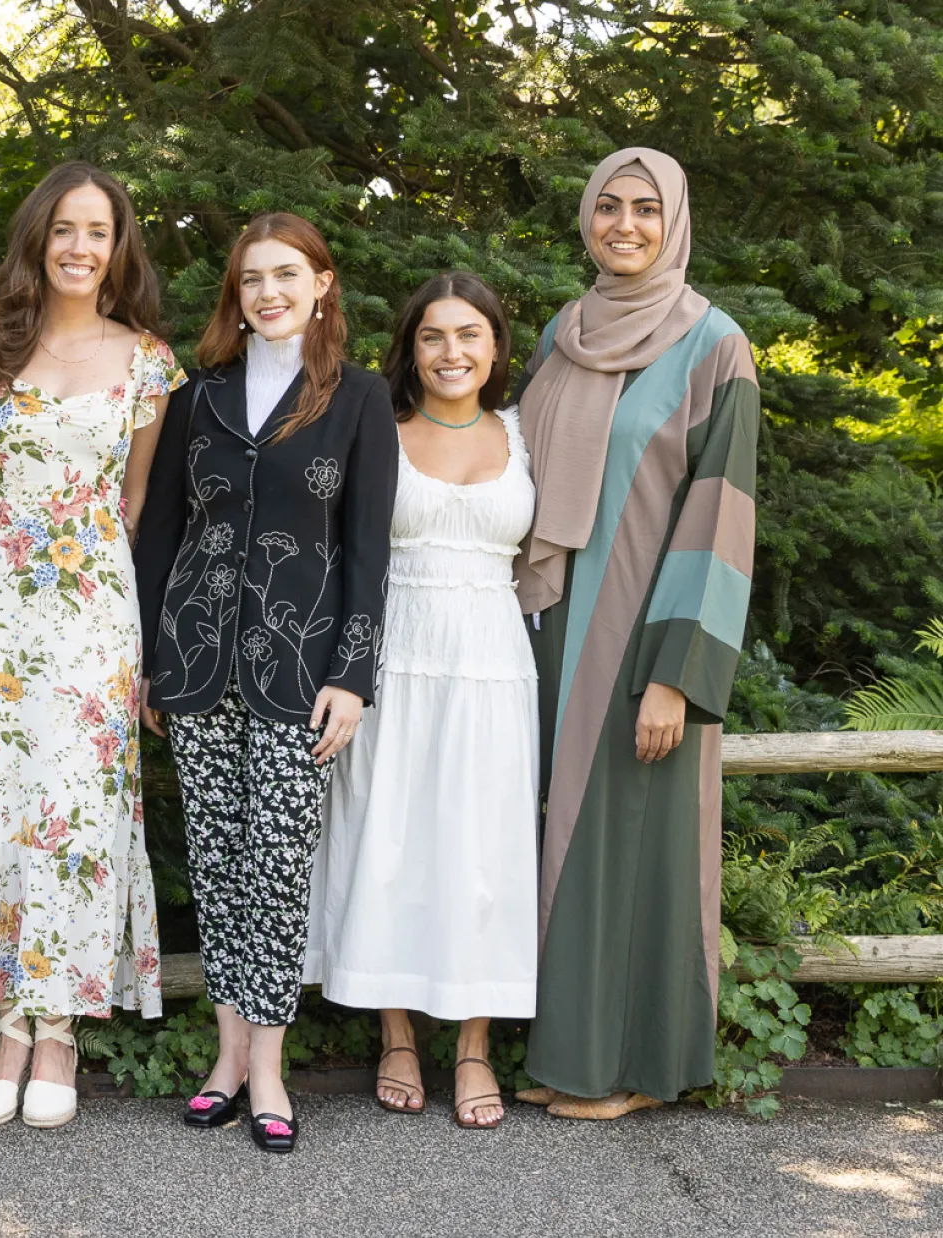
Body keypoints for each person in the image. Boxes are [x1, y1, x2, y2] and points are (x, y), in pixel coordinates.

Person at [0, 161, 178, 1131]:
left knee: (76, 807)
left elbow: (136, 502)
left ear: (118, 246)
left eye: (97, 230)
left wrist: (125, 626)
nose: (79, 246)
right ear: (37, 239)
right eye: (63, 229)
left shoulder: (146, 361)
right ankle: (6, 1026)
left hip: (94, 605)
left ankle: (54, 1026)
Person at [133, 211, 397, 1154]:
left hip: (302, 673)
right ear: (235, 296)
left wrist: (355, 676)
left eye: (288, 275)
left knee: (277, 868)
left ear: (322, 283)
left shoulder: (360, 398)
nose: (270, 293)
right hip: (197, 664)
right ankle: (227, 1058)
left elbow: (368, 551)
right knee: (217, 862)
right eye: (253, 279)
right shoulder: (197, 397)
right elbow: (159, 535)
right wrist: (152, 664)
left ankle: (271, 1067)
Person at [510, 148, 759, 1121]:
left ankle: (630, 1068)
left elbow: (720, 515)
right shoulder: (560, 335)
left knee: (628, 844)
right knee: (558, 840)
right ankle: (564, 1054)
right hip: (548, 630)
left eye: (644, 208)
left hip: (643, 642)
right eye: (607, 206)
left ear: (674, 220)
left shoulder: (713, 345)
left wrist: (675, 676)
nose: (623, 223)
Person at [302, 272, 536, 1130]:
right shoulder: (379, 429)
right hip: (392, 651)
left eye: (470, 334)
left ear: (496, 348)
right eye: (434, 336)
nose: (452, 352)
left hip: (492, 660)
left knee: (484, 849)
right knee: (384, 836)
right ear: (410, 349)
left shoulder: (525, 436)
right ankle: (395, 1030)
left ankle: (472, 1042)